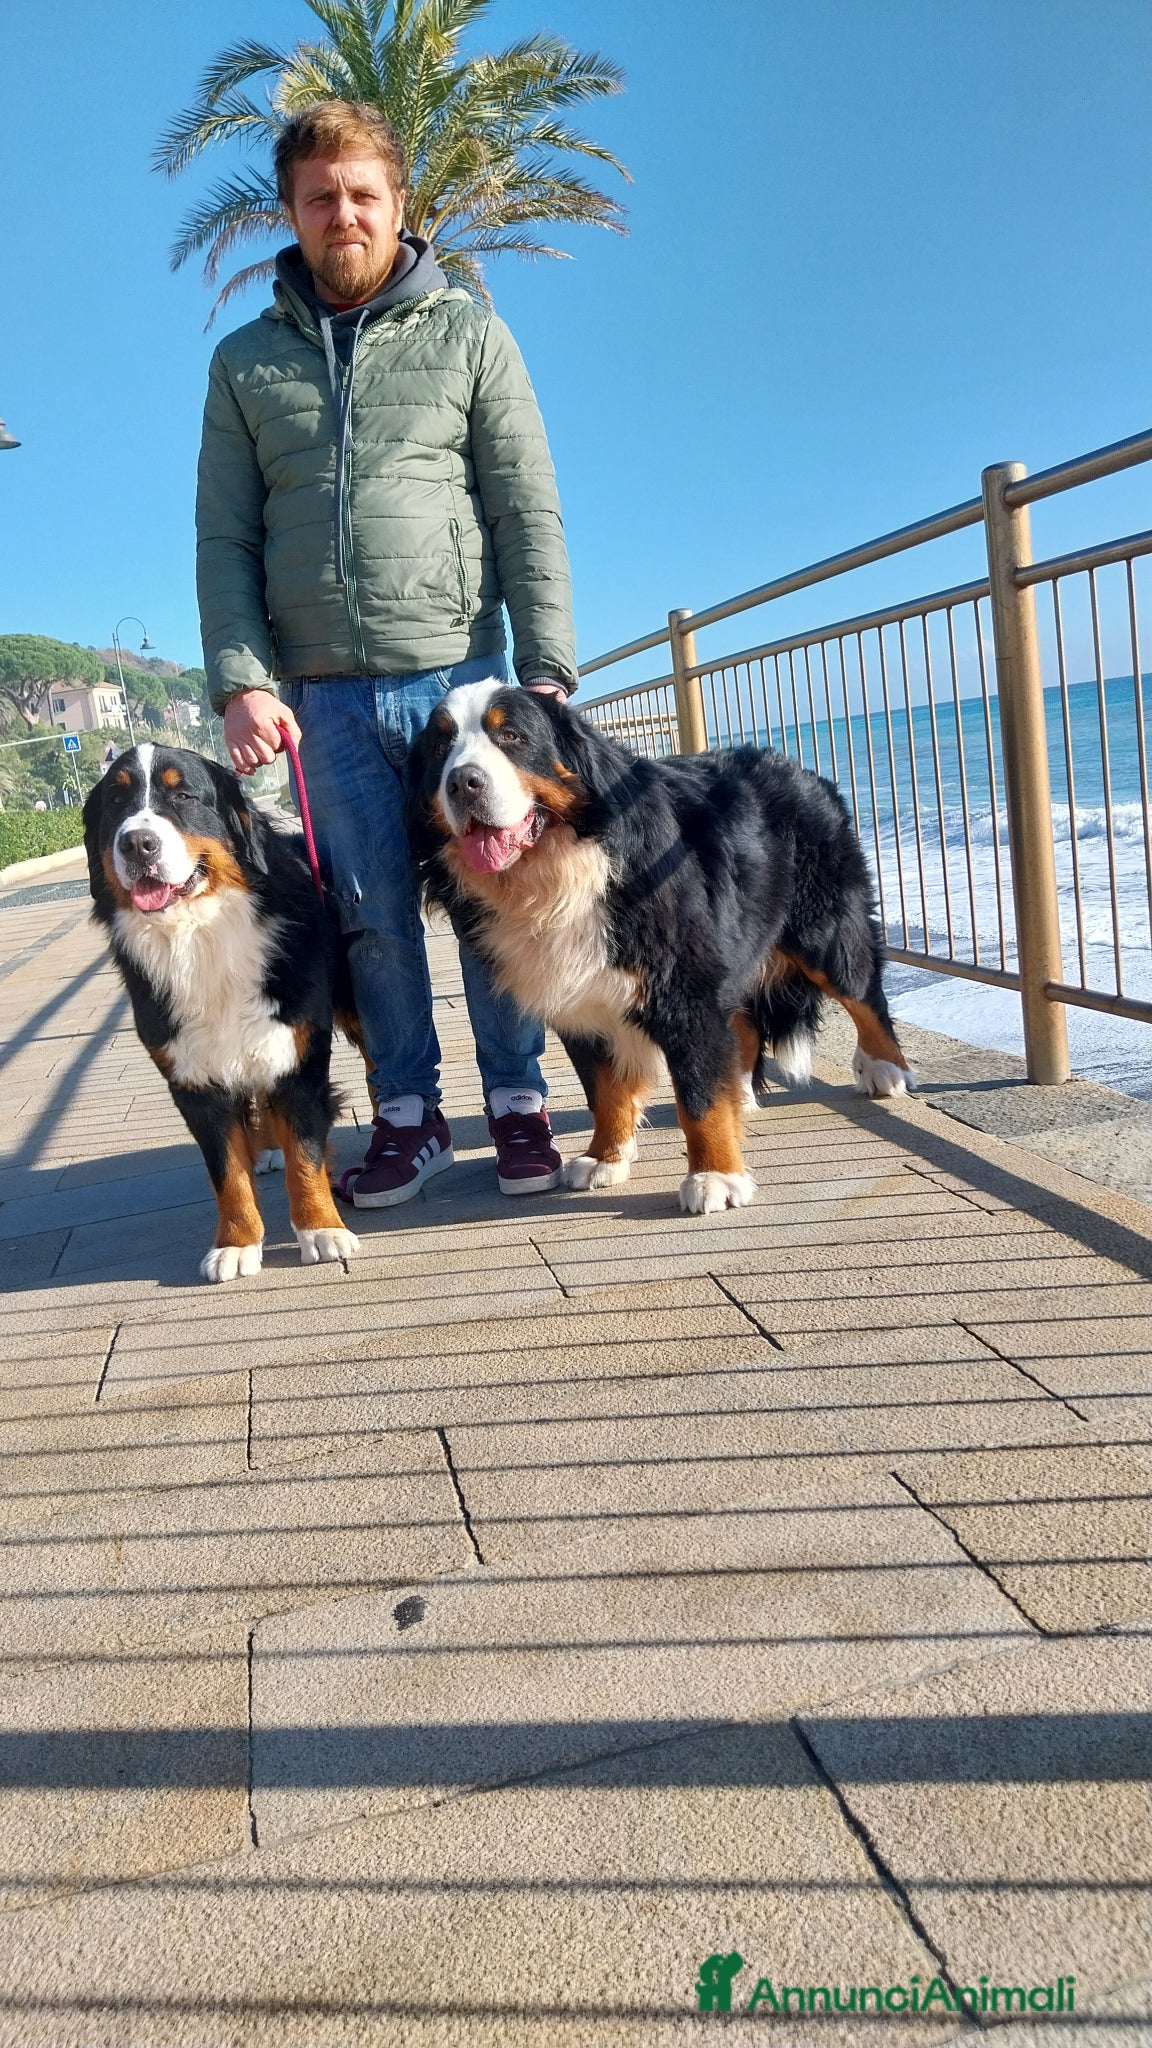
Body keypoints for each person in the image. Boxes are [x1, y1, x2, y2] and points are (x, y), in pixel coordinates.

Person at [196, 98, 579, 1209]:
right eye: (321, 198)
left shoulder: (471, 334)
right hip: (317, 695)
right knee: (366, 907)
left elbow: (525, 507)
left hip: (460, 678)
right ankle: (408, 1113)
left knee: (496, 893)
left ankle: (517, 1101)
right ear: (293, 212)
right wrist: (242, 678)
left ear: (398, 205)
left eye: (364, 194)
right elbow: (227, 534)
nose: (343, 214)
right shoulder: (242, 363)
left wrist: (544, 666)